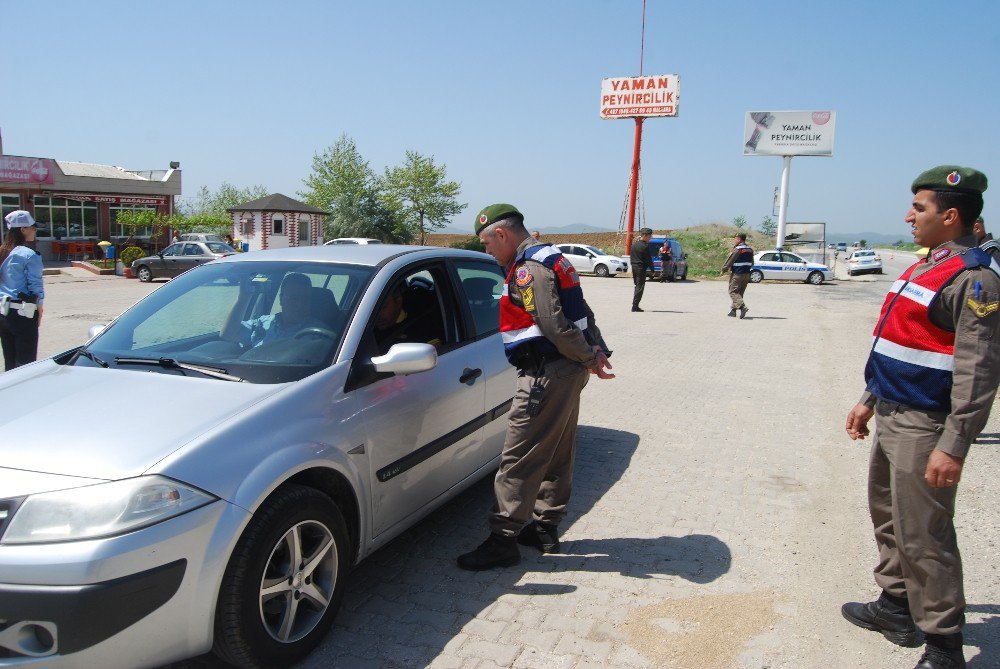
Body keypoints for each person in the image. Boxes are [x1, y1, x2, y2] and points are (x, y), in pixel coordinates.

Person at [843, 166, 999, 669]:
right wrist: (869, 397)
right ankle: (895, 606)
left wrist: (953, 444)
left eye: (920, 208)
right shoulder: (927, 264)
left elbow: (978, 373)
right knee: (888, 516)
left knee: (924, 534)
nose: (908, 216)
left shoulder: (975, 279)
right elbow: (901, 340)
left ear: (950, 216)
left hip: (925, 424)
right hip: (892, 411)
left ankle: (944, 644)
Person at [457, 203, 614, 571]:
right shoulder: (554, 258)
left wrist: (592, 359)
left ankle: (503, 539)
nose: (487, 252)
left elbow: (556, 326)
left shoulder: (529, 269)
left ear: (502, 234)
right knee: (558, 450)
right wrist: (596, 349)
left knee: (519, 456)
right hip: (565, 369)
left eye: (487, 243)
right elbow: (583, 313)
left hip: (546, 373)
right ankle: (545, 529)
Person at [229, 273, 326, 349]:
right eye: (294, 298)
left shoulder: (319, 334)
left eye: (305, 299)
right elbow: (229, 334)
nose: (300, 304)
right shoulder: (263, 323)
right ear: (281, 299)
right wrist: (243, 297)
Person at [0, 211, 45, 370]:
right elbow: (35, 284)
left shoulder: (3, 251)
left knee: (10, 364)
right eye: (33, 227)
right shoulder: (29, 255)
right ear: (23, 229)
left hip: (4, 314)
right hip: (23, 313)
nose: (35, 230)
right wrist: (39, 307)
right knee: (25, 365)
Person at [372, 280, 443, 353]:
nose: (377, 315)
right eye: (372, 309)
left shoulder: (421, 326)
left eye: (382, 307)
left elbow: (433, 355)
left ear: (398, 301)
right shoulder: (364, 324)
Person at [720, 232, 753, 318]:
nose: (735, 240)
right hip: (746, 274)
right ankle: (733, 311)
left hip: (738, 273)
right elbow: (752, 262)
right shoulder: (750, 249)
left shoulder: (738, 249)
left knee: (733, 291)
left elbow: (730, 260)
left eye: (735, 238)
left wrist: (724, 269)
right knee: (739, 293)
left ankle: (742, 307)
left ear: (739, 239)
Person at [629, 227, 653, 312]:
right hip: (640, 269)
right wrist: (652, 270)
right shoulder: (645, 246)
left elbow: (631, 257)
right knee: (640, 287)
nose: (650, 238)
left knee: (637, 286)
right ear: (645, 235)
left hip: (634, 268)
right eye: (650, 236)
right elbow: (648, 259)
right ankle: (635, 306)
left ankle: (635, 305)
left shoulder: (634, 245)